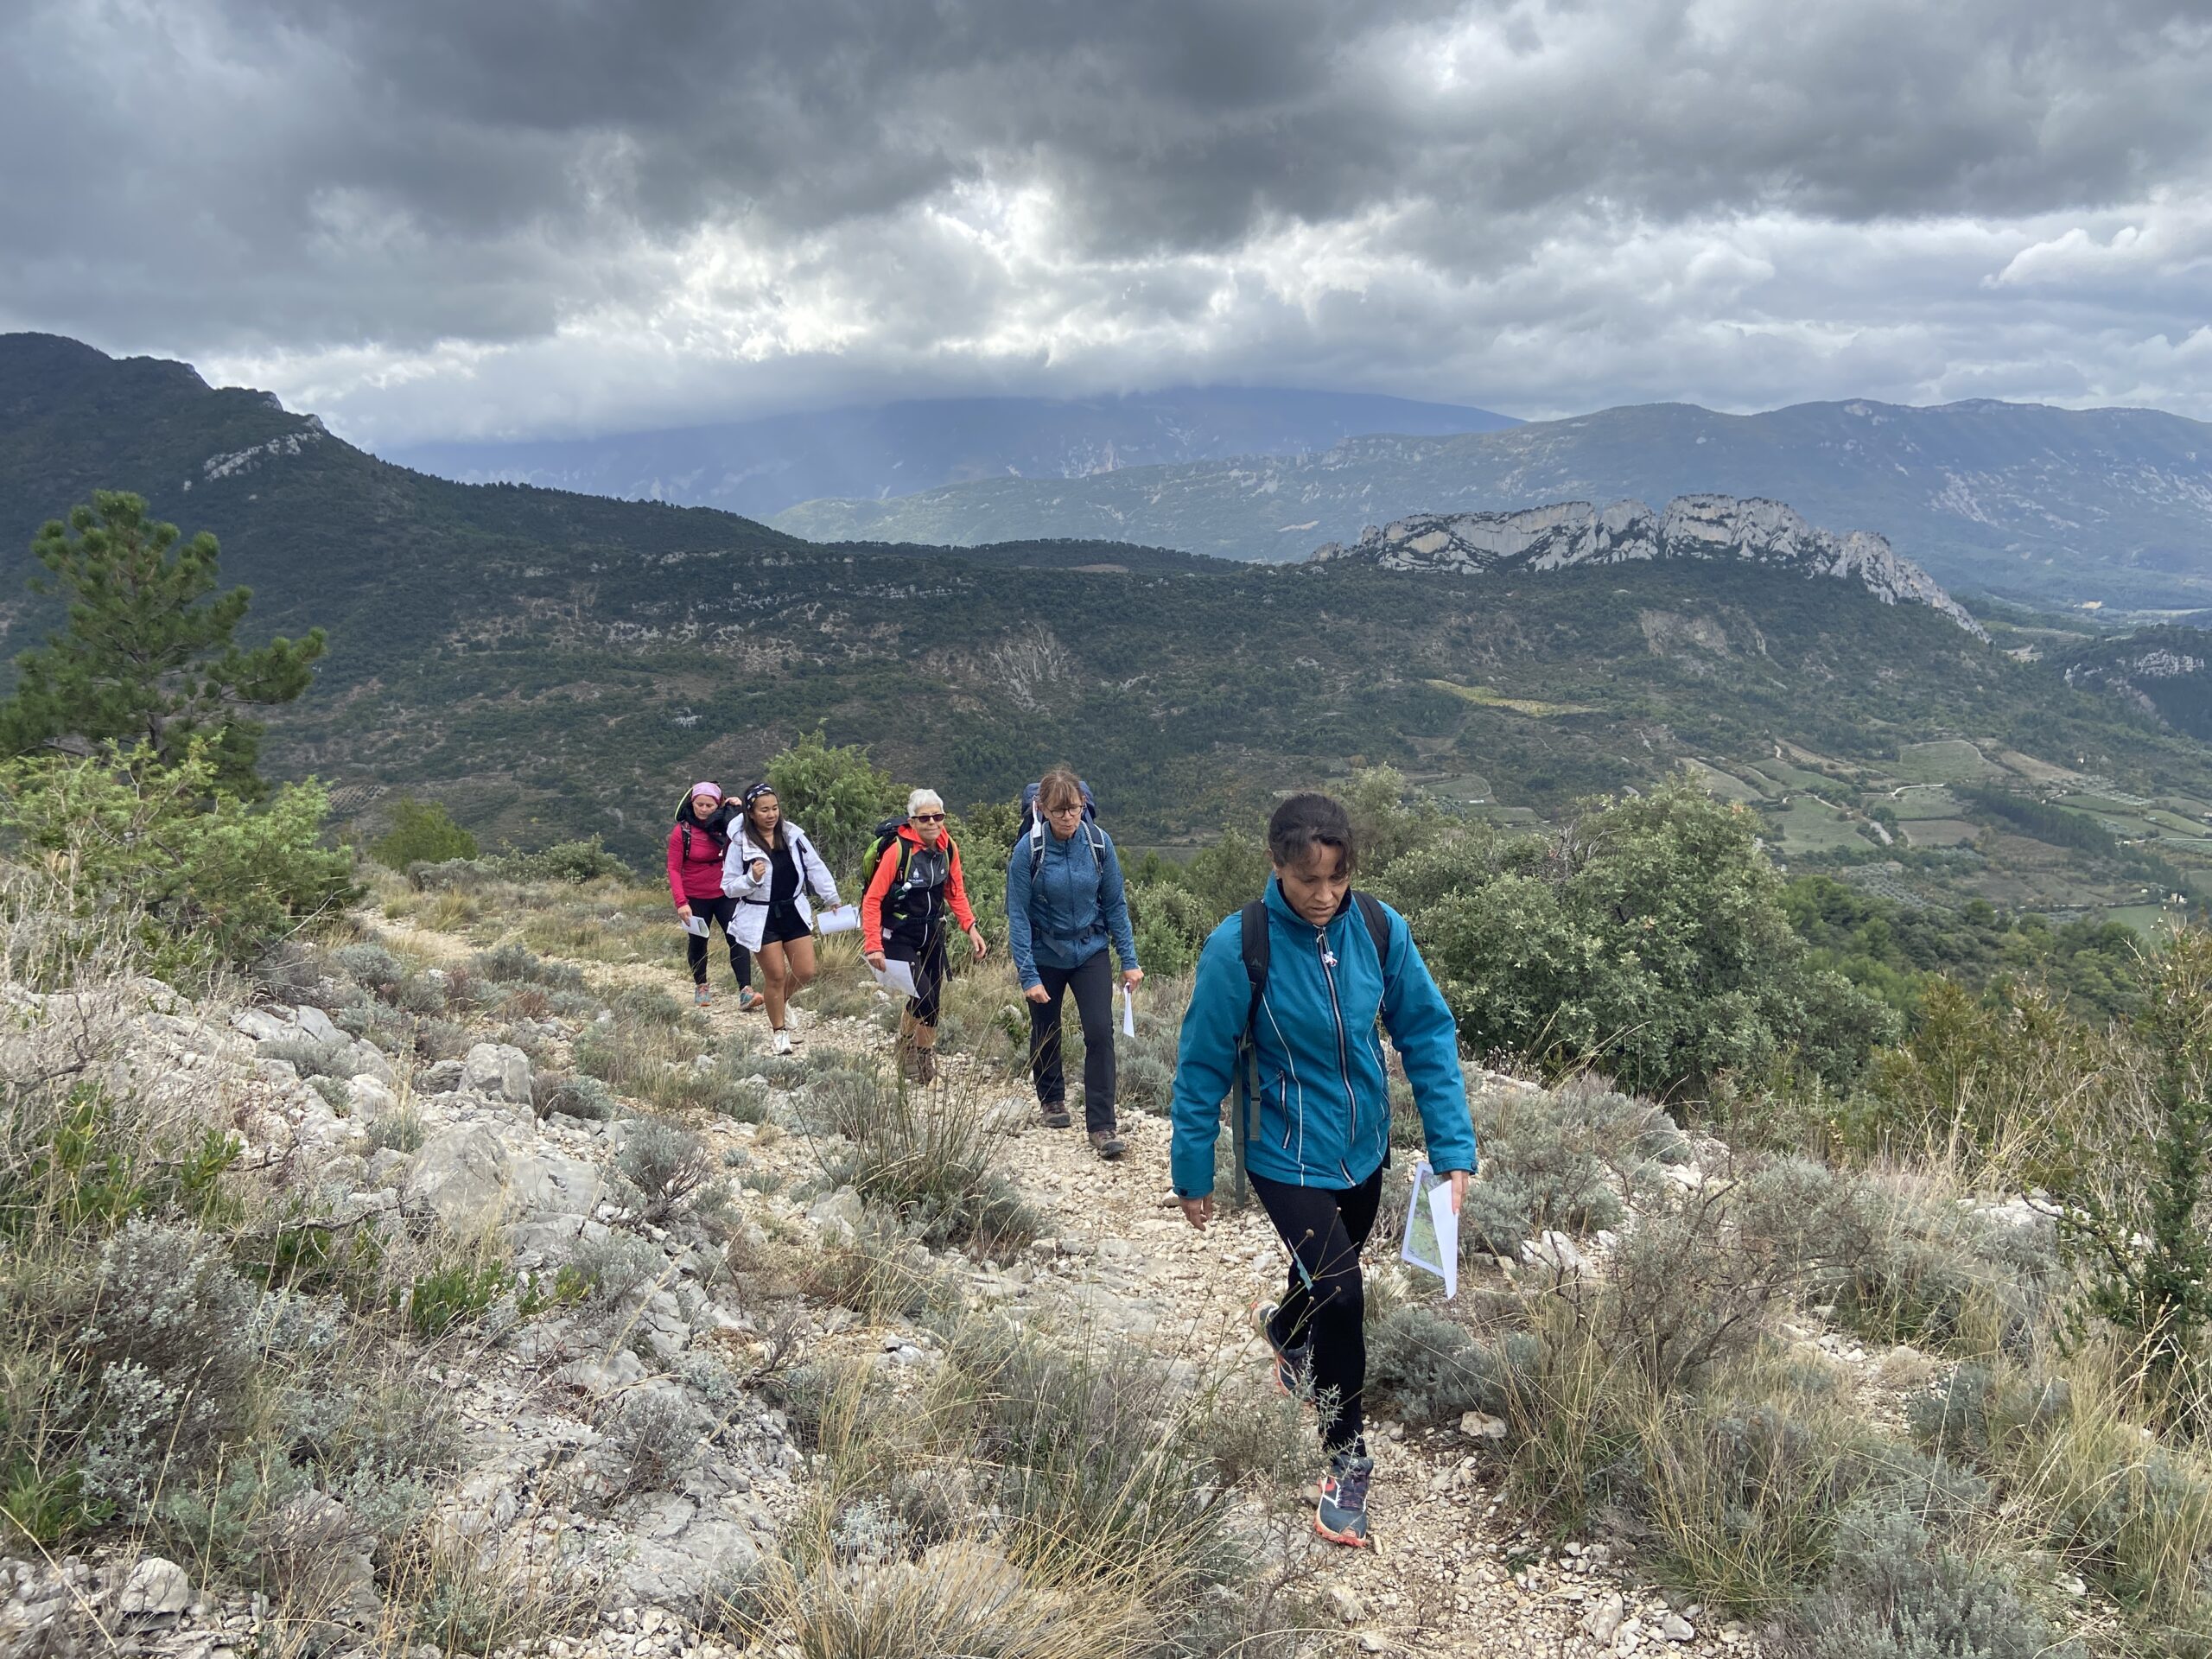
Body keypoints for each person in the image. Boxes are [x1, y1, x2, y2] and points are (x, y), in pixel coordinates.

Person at [1169, 791, 1475, 1549]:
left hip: (1364, 1145)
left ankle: (1283, 1330)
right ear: (1277, 866)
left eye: (1337, 878)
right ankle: (1346, 1456)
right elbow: (1202, 1064)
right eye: (1309, 880)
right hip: (1284, 1152)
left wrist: (1452, 1151)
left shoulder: (1377, 928)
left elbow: (1428, 1034)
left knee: (1321, 1282)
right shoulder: (1240, 946)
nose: (1325, 895)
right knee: (1341, 1290)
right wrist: (1192, 1167)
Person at [1006, 768, 1143, 1158]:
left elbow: (1115, 904)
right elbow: (1017, 914)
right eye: (1060, 810)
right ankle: (1051, 1098)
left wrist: (1129, 961)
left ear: (1085, 806)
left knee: (1100, 1032)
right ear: (1043, 810)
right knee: (1046, 1027)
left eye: (1075, 809)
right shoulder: (1028, 852)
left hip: (1091, 951)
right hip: (1045, 952)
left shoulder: (1099, 844)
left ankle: (1102, 1126)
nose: (1069, 817)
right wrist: (1028, 975)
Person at [861, 788, 988, 1084]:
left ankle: (922, 1053)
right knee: (924, 995)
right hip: (898, 934)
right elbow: (872, 900)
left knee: (934, 1003)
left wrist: (971, 928)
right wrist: (873, 946)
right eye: (925, 818)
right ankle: (905, 1045)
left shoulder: (948, 848)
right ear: (913, 821)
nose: (933, 823)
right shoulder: (899, 851)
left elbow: (955, 891)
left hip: (932, 932)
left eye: (938, 817)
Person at [721, 783, 842, 1056]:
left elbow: (814, 866)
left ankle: (779, 1001)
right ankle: (780, 1034)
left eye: (774, 808)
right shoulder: (740, 843)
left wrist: (831, 897)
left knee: (806, 970)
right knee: (775, 975)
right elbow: (728, 886)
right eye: (764, 810)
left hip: (792, 910)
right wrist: (751, 879)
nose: (771, 814)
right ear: (751, 813)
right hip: (760, 914)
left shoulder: (793, 835)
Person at [665, 782, 760, 1011]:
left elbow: (756, 829)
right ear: (692, 803)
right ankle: (701, 986)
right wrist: (681, 903)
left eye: (710, 805)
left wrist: (742, 810)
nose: (705, 809)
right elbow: (674, 868)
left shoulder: (728, 823)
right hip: (695, 896)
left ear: (718, 804)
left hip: (726, 892)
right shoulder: (683, 831)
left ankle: (746, 991)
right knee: (698, 942)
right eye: (700, 804)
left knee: (737, 939)